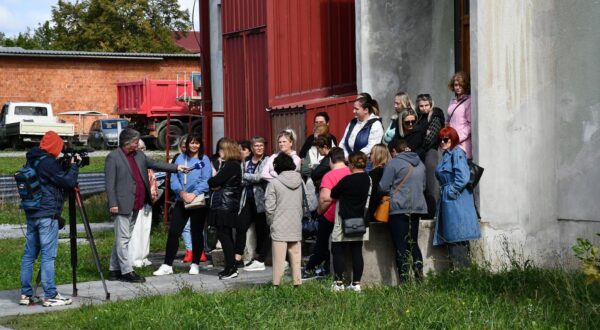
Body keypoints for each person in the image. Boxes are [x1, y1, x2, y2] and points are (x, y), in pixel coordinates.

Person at [105, 128, 188, 283]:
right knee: (123, 239)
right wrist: (113, 203)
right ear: (127, 142)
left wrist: (177, 168)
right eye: (136, 142)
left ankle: (113, 270)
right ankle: (126, 271)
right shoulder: (113, 157)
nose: (138, 145)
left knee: (123, 238)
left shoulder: (139, 155)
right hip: (122, 204)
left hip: (138, 202)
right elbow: (109, 184)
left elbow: (156, 164)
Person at [19, 131, 78, 307]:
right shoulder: (48, 162)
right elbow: (68, 182)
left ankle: (25, 295)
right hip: (47, 214)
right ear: (54, 146)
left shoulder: (33, 159)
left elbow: (49, 179)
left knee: (29, 256)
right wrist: (73, 166)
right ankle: (50, 295)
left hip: (32, 213)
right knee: (48, 256)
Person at [154, 133, 212, 276]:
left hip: (197, 200)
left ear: (200, 144)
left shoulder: (204, 159)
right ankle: (167, 264)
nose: (194, 146)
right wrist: (181, 193)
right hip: (182, 199)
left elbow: (206, 179)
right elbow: (173, 178)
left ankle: (195, 263)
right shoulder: (179, 158)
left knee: (196, 232)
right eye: (191, 143)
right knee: (174, 232)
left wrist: (195, 193)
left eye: (196, 143)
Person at [379, 138, 427, 283]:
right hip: (417, 208)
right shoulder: (420, 163)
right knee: (413, 243)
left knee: (400, 245)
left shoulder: (393, 163)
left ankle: (404, 281)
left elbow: (382, 187)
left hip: (398, 209)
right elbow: (423, 186)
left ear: (394, 150)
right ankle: (419, 278)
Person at [433, 127, 480, 268]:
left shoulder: (457, 153)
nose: (442, 142)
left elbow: (463, 177)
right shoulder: (446, 155)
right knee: (454, 236)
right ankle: (460, 272)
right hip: (450, 200)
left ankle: (462, 273)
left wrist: (451, 192)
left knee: (457, 236)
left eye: (445, 139)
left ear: (452, 139)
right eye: (440, 139)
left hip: (456, 200)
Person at [302, 147, 350, 280]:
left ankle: (310, 268)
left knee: (321, 243)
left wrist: (318, 213)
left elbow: (324, 199)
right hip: (348, 215)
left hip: (331, 215)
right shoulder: (350, 172)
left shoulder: (329, 175)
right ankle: (327, 267)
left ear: (331, 160)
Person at [329, 151, 371, 292]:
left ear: (352, 164)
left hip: (343, 218)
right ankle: (356, 283)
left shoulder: (347, 180)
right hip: (360, 220)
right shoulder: (368, 179)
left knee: (337, 249)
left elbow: (333, 193)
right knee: (357, 251)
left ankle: (339, 283)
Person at [265, 153, 304, 287]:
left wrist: (271, 222)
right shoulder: (300, 181)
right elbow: (306, 201)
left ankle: (277, 285)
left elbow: (269, 207)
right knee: (296, 256)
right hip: (296, 223)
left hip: (279, 224)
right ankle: (297, 283)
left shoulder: (274, 183)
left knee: (279, 259)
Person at [207, 138, 243, 279]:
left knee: (225, 237)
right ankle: (229, 266)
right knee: (225, 236)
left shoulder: (231, 166)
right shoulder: (231, 165)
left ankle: (231, 267)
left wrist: (216, 181)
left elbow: (213, 181)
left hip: (225, 205)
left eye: (221, 150)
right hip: (225, 204)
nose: (219, 152)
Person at [240, 136, 271, 271]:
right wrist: (249, 178)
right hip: (247, 198)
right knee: (242, 226)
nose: (259, 148)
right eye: (256, 146)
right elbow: (240, 180)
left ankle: (259, 257)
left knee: (262, 229)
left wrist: (245, 176)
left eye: (261, 146)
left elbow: (261, 176)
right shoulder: (246, 161)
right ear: (252, 148)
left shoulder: (267, 160)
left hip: (261, 200)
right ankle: (239, 256)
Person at [128, 139, 158, 268]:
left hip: (147, 201)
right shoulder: (131, 163)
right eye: (140, 148)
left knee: (146, 229)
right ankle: (134, 258)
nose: (142, 151)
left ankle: (144, 256)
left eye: (143, 148)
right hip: (136, 202)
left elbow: (153, 179)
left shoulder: (145, 162)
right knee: (135, 230)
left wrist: (153, 195)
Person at [415, 94, 445, 219]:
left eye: (426, 105)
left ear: (431, 104)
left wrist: (420, 138)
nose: (424, 108)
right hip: (419, 153)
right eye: (421, 106)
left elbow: (430, 137)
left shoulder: (435, 115)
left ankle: (433, 212)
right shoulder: (418, 117)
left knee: (431, 183)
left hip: (429, 152)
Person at [446, 72, 472, 159]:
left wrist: (457, 138)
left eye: (460, 85)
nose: (457, 87)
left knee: (460, 172)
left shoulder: (469, 101)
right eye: (455, 85)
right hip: (451, 144)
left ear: (465, 85)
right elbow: (448, 120)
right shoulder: (452, 101)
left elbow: (470, 125)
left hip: (462, 146)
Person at [366, 143, 392, 222]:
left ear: (378, 155)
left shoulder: (375, 173)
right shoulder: (390, 170)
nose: (369, 156)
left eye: (372, 153)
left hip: (377, 210)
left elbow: (373, 193)